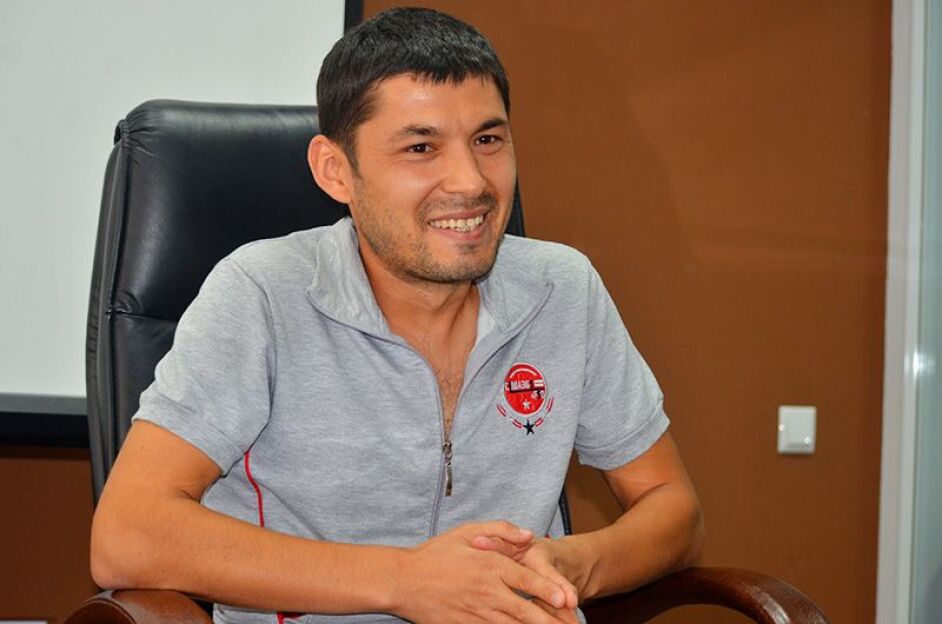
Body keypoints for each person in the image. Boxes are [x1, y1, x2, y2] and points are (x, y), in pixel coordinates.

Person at [90, 8, 703, 624]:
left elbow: (672, 506)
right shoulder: (261, 294)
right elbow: (127, 534)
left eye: (488, 140)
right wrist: (407, 581)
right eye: (420, 148)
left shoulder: (563, 289)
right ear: (335, 170)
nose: (470, 181)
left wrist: (569, 566)